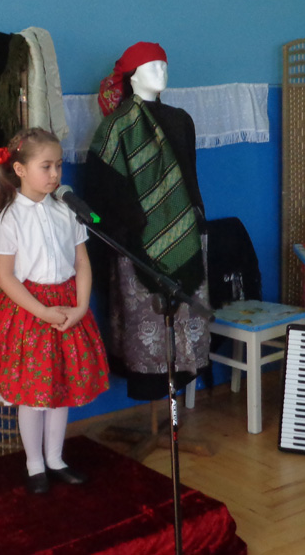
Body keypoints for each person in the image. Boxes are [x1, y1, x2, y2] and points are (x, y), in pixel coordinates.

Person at [0, 127, 110, 495]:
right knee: (34, 393)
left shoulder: (66, 211)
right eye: (46, 166)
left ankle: (56, 458)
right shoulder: (6, 219)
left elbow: (82, 262)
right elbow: (5, 277)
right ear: (20, 170)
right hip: (30, 313)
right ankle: (34, 464)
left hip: (67, 306)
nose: (55, 174)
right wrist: (43, 312)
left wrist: (81, 306)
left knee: (60, 386)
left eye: (59, 166)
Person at [85, 42, 210, 402]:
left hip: (187, 234)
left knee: (185, 317)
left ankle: (181, 384)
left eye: (164, 65)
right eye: (152, 66)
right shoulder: (114, 128)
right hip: (137, 244)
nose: (162, 72)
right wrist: (132, 231)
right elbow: (103, 192)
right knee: (150, 323)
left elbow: (190, 180)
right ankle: (153, 396)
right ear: (131, 76)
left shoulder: (181, 120)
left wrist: (197, 222)